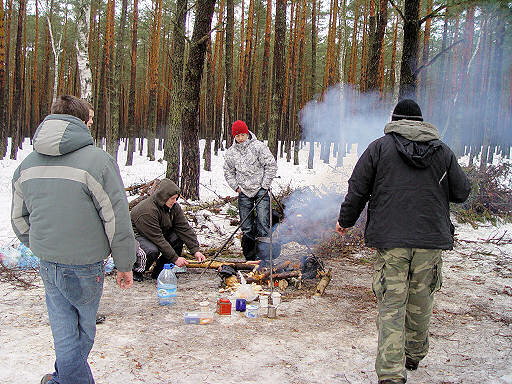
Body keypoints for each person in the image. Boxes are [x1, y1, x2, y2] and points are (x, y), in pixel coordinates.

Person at [336, 99, 471, 384]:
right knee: (422, 302)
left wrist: (345, 221)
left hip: (392, 242)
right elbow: (461, 192)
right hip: (430, 241)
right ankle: (414, 354)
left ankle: (389, 374)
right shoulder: (442, 151)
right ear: (420, 122)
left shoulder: (378, 148)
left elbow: (357, 188)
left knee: (392, 305)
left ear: (395, 119)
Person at [11, 95, 136, 384]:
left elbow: (19, 219)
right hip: (85, 263)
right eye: (90, 121)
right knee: (80, 333)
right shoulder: (98, 162)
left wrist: (42, 243)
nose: (91, 126)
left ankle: (59, 379)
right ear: (80, 122)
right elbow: (116, 218)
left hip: (48, 261)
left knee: (65, 329)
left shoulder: (26, 165)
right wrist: (124, 263)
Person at [130, 178, 206, 280]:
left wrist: (195, 250)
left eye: (176, 198)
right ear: (164, 197)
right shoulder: (147, 211)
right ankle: (136, 271)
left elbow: (184, 228)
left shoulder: (174, 207)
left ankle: (161, 271)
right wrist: (175, 258)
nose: (175, 201)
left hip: (157, 234)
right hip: (137, 236)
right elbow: (157, 239)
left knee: (177, 238)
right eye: (172, 198)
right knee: (151, 250)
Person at [223, 120, 278, 260]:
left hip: (261, 189)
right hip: (244, 191)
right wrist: (236, 187)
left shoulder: (259, 147)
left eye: (242, 134)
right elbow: (228, 171)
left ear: (247, 133)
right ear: (234, 137)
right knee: (246, 226)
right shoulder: (231, 152)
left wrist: (265, 185)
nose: (240, 138)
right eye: (237, 136)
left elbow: (271, 165)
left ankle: (265, 256)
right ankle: (250, 257)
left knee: (263, 222)